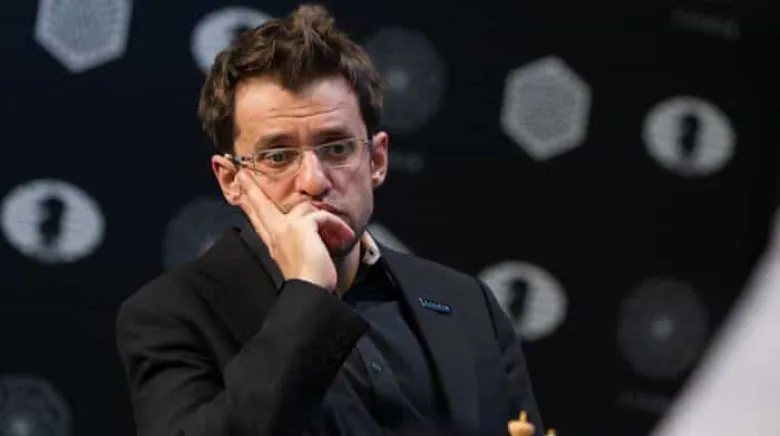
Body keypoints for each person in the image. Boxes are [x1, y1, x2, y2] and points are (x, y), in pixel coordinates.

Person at [115, 4, 543, 436]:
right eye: (277, 156)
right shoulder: (171, 315)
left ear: (377, 160)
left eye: (337, 148)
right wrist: (307, 294)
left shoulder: (468, 304)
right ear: (231, 180)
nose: (314, 181)